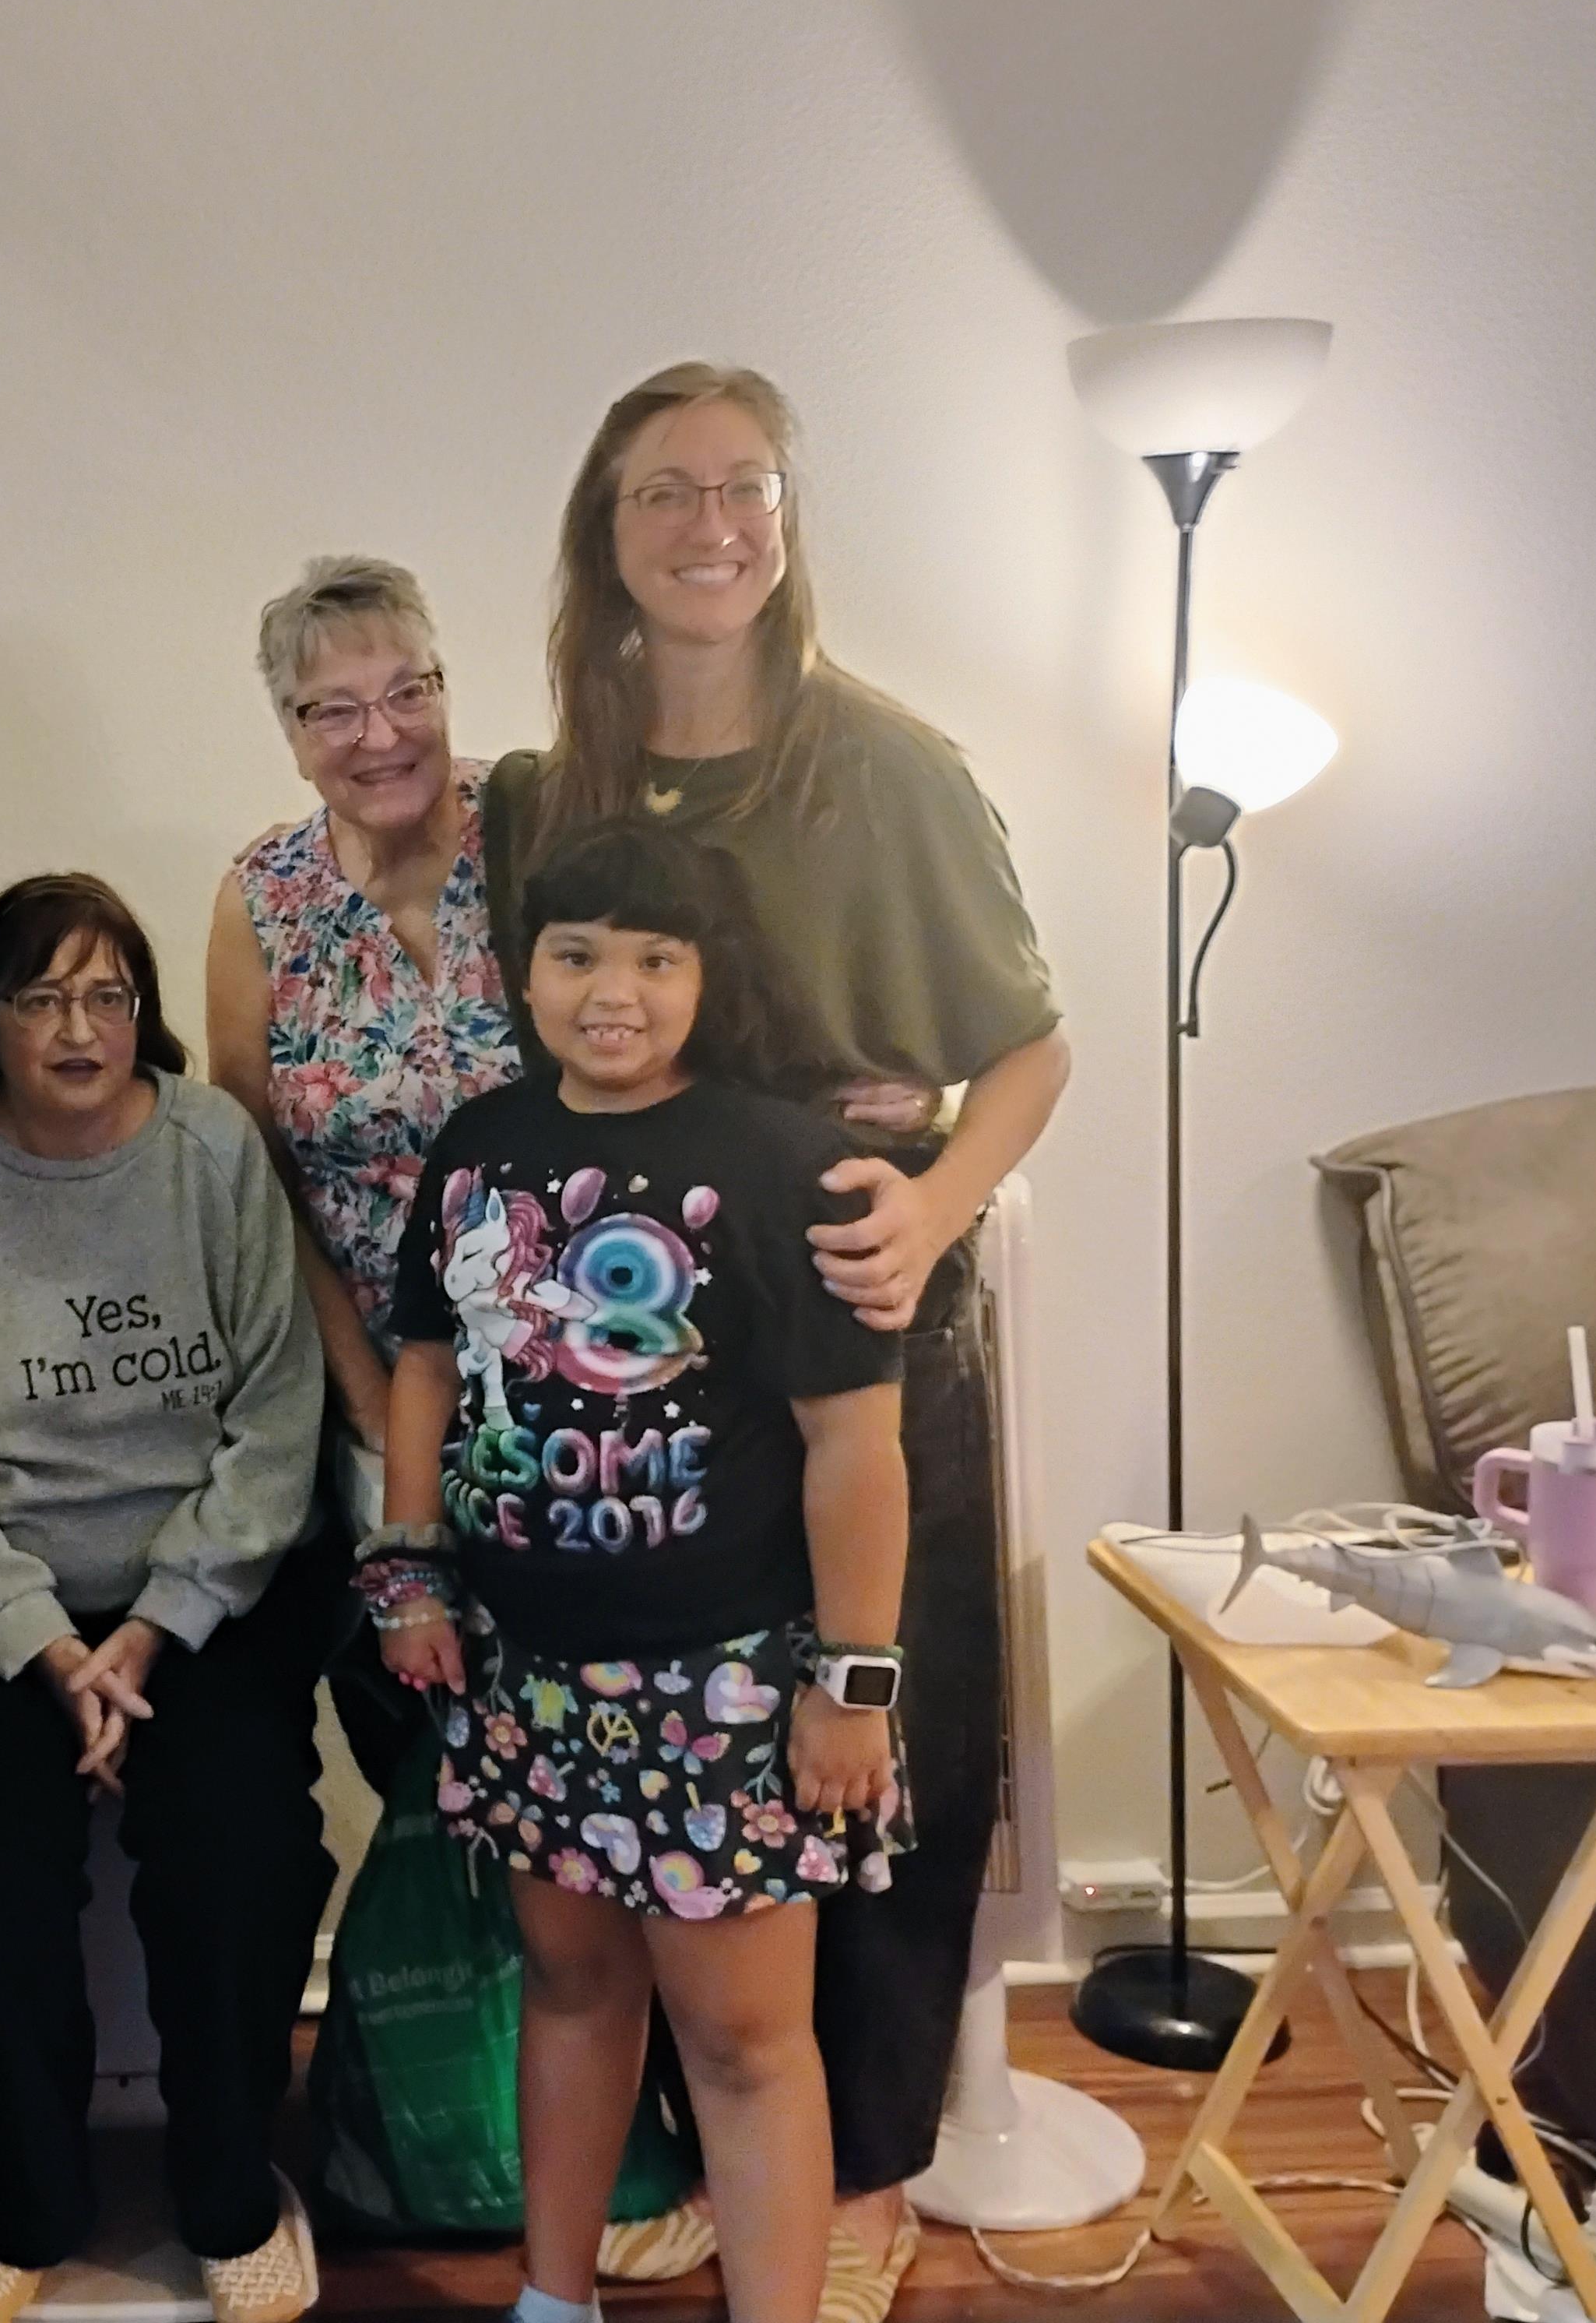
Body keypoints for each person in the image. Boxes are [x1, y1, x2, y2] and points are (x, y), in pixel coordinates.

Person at [483, 361, 1070, 2317]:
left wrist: (934, 1201)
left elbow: (1029, 1046)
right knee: (638, 1835)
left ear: (791, 529)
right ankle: (691, 2166)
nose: (711, 524)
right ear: (605, 528)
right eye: (666, 491)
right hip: (624, 1376)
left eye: (747, 489)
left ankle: (865, 2174)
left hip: (854, 1331)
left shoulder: (884, 765)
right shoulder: (541, 781)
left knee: (867, 1758)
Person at [362, 823, 911, 2323]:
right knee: (571, 1989)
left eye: (657, 957)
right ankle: (556, 2298)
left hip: (726, 1682)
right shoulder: (480, 1146)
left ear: (706, 976)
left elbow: (856, 1445)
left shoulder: (779, 1160)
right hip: (523, 1664)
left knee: (742, 2042)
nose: (616, 989)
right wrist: (408, 1572)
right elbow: (426, 1360)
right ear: (524, 973)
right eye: (580, 952)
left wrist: (851, 1682)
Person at [0, 875, 329, 2323]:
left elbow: (275, 1412)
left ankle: (234, 2188)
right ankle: (26, 2189)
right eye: (42, 996)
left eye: (108, 994)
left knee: (238, 1851)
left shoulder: (212, 1150)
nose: (79, 1026)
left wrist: (156, 1626)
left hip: (204, 1602)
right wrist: (44, 1644)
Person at [204, 555, 520, 1793]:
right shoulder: (263, 900)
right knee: (426, 1746)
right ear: (291, 734)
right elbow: (257, 1171)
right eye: (333, 708)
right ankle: (469, 1993)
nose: (379, 735)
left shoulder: (536, 833)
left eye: (408, 691)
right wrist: (366, 1394)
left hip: (581, 1382)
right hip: (374, 1374)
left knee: (585, 1744)